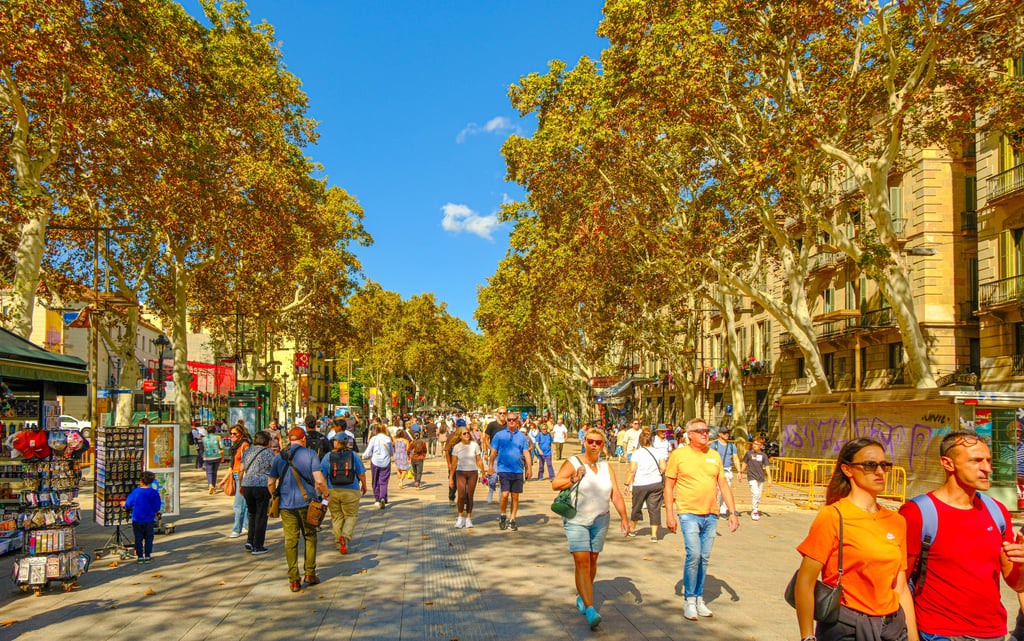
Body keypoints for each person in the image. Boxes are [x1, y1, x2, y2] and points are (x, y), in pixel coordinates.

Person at [898, 430, 1024, 641]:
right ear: (948, 463)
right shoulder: (918, 512)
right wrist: (911, 637)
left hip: (993, 632)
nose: (987, 468)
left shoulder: (997, 511)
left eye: (988, 460)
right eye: (976, 461)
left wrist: (1020, 563)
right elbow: (899, 583)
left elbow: (1016, 584)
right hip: (939, 632)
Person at [794, 438, 915, 641]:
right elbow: (805, 582)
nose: (880, 471)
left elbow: (900, 588)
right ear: (848, 470)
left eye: (884, 465)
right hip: (846, 629)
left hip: (893, 629)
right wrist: (807, 636)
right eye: (870, 465)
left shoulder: (896, 521)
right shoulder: (833, 516)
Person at [552, 427, 630, 630]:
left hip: (600, 520)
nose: (594, 445)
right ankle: (590, 608)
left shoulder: (606, 467)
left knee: (593, 560)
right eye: (590, 441)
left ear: (603, 445)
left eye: (599, 442)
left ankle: (582, 594)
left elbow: (615, 494)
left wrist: (624, 518)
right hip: (577, 520)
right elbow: (555, 483)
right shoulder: (573, 462)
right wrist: (573, 479)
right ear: (584, 442)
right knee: (582, 561)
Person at [665, 417, 740, 621]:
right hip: (688, 513)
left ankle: (699, 597)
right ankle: (689, 599)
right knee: (694, 555)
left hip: (711, 514)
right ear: (689, 435)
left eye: (706, 430)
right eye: (699, 431)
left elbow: (723, 485)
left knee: (704, 558)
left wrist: (732, 512)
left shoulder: (714, 456)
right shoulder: (679, 455)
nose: (704, 433)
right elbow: (669, 486)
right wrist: (669, 514)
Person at [268, 427, 328, 593]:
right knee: (310, 536)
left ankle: (294, 579)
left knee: (290, 541)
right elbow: (319, 480)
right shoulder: (310, 454)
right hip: (307, 503)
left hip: (286, 505)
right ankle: (310, 573)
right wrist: (326, 494)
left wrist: (274, 496)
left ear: (289, 440)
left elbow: (270, 482)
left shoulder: (279, 456)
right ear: (303, 439)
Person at [322, 432, 367, 555]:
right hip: (351, 489)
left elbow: (322, 475)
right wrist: (364, 484)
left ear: (336, 442)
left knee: (337, 517)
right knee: (351, 515)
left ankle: (338, 542)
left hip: (333, 490)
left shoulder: (328, 456)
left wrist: (324, 492)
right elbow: (361, 473)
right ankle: (345, 536)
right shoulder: (353, 455)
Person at [488, 414, 533, 531]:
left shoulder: (521, 436)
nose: (512, 421)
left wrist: (529, 468)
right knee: (505, 494)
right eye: (509, 420)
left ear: (518, 421)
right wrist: (490, 467)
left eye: (514, 419)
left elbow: (526, 453)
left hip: (518, 470)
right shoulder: (499, 435)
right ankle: (503, 515)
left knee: (515, 496)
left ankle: (512, 519)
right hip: (504, 469)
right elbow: (493, 452)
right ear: (507, 421)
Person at [624, 428, 665, 541]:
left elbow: (632, 470)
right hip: (655, 483)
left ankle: (632, 528)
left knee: (636, 506)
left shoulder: (636, 453)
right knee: (654, 508)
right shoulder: (658, 452)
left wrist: (627, 484)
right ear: (651, 440)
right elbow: (663, 467)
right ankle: (654, 535)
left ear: (640, 441)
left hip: (640, 484)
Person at [239, 430, 275, 554]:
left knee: (252, 513)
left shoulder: (247, 451)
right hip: (262, 485)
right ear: (266, 441)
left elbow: (241, 469)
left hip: (247, 484)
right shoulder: (269, 453)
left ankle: (250, 540)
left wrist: (240, 484)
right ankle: (258, 545)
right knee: (261, 515)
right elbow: (274, 469)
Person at [218, 423, 251, 539]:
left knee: (239, 504)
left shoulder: (244, 446)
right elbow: (232, 466)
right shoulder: (235, 446)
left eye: (234, 434)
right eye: (230, 434)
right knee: (244, 503)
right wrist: (224, 480)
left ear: (241, 434)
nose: (232, 436)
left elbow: (246, 463)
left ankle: (237, 529)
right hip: (235, 475)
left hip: (242, 476)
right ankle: (247, 525)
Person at [450, 426, 486, 528]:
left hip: (472, 472)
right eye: (464, 434)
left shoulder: (474, 445)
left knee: (469, 495)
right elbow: (453, 463)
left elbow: (479, 460)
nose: (467, 435)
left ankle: (468, 518)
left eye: (468, 433)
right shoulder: (457, 447)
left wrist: (483, 473)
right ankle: (460, 517)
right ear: (460, 436)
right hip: (460, 472)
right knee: (461, 495)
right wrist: (451, 478)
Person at [124, 470, 162, 564]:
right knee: (149, 537)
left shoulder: (136, 492)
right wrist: (157, 512)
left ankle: (140, 556)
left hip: (137, 519)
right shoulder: (154, 492)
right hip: (149, 519)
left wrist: (124, 505)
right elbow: (157, 506)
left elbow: (128, 504)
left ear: (141, 480)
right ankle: (148, 555)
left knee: (138, 537)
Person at [709, 426, 740, 517]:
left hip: (727, 470)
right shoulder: (714, 445)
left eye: (727, 432)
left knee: (726, 491)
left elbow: (735, 458)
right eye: (724, 432)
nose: (727, 434)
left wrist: (739, 471)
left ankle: (723, 510)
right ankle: (715, 509)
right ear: (719, 434)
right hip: (716, 471)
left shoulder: (731, 446)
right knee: (717, 492)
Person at [363, 423, 394, 509]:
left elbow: (368, 450)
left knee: (375, 481)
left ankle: (377, 499)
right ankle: (383, 497)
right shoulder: (388, 439)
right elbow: (391, 452)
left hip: (375, 461)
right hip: (386, 461)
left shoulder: (374, 439)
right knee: (384, 481)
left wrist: (364, 456)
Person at [740, 437, 771, 521]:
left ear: (761, 445)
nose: (755, 445)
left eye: (757, 444)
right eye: (754, 443)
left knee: (759, 495)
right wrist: (740, 472)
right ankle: (754, 511)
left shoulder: (764, 455)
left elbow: (767, 467)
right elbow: (744, 464)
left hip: (760, 477)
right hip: (751, 476)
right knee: (755, 493)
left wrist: (770, 479)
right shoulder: (749, 454)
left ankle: (755, 508)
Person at [201, 426, 224, 494]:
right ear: (215, 431)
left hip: (207, 456)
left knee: (209, 472)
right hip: (217, 456)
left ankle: (210, 485)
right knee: (215, 472)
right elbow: (222, 446)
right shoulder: (218, 437)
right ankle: (213, 486)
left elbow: (203, 447)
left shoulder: (204, 438)